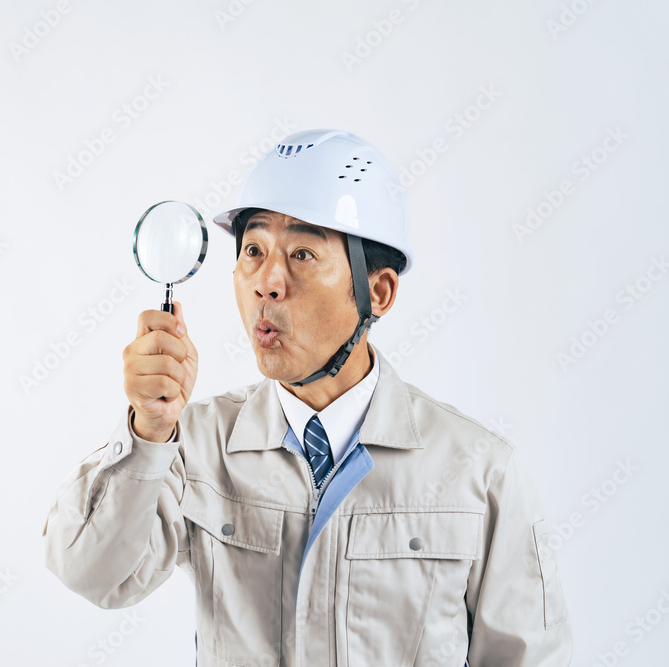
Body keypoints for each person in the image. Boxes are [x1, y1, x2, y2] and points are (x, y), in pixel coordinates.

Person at [42, 129, 573, 666]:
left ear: (378, 292)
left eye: (301, 253)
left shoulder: (478, 470)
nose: (267, 283)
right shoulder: (194, 445)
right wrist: (148, 433)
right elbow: (94, 574)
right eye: (253, 250)